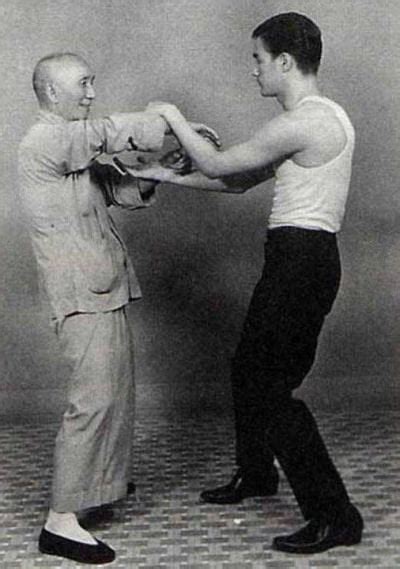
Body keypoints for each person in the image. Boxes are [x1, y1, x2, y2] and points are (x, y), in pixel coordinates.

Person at [124, 12, 364, 555]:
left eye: (257, 60)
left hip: (301, 262)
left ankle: (336, 516)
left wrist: (169, 115)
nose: (252, 71)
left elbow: (216, 160)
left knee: (271, 391)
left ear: (284, 62)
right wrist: (165, 176)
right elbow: (234, 181)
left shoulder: (305, 120)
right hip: (295, 258)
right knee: (246, 369)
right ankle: (257, 474)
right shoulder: (316, 119)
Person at [18, 52, 218, 564]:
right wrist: (166, 122)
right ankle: (60, 521)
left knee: (114, 397)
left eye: (91, 83)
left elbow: (123, 190)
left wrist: (166, 166)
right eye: (82, 85)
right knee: (93, 402)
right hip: (80, 295)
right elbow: (107, 133)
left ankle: (92, 496)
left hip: (101, 289)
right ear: (52, 93)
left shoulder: (74, 147)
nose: (90, 92)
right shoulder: (47, 141)